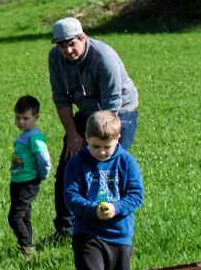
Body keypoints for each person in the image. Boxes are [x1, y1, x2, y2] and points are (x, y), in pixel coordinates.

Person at [48, 18, 139, 239]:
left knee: (106, 169)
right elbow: (61, 98)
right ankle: (66, 230)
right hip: (86, 111)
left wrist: (94, 141)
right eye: (62, 45)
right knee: (69, 167)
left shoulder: (103, 58)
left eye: (72, 43)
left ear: (83, 37)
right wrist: (73, 134)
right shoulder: (55, 58)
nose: (68, 50)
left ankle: (110, 228)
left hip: (119, 112)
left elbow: (112, 102)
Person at [64, 111, 144, 270]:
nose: (101, 152)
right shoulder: (77, 163)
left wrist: (116, 208)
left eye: (106, 147)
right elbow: (71, 197)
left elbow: (136, 195)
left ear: (117, 139)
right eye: (95, 146)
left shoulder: (127, 162)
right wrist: (93, 210)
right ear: (86, 137)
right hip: (87, 234)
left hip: (119, 235)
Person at [8, 95, 52, 256]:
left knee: (15, 217)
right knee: (24, 215)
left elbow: (44, 158)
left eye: (25, 118)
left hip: (28, 182)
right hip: (18, 181)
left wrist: (42, 174)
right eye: (18, 118)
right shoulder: (25, 135)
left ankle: (27, 247)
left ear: (36, 117)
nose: (21, 122)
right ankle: (27, 245)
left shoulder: (34, 136)